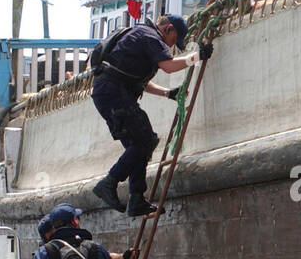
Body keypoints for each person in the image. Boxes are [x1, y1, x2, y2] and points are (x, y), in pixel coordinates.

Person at [89, 15, 212, 216]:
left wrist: (168, 93)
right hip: (113, 92)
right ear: (168, 29)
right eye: (174, 41)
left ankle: (136, 199)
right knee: (145, 140)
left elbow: (139, 81)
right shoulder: (150, 36)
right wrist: (197, 56)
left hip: (110, 92)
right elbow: (169, 66)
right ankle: (109, 182)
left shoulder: (140, 37)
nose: (171, 46)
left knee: (140, 145)